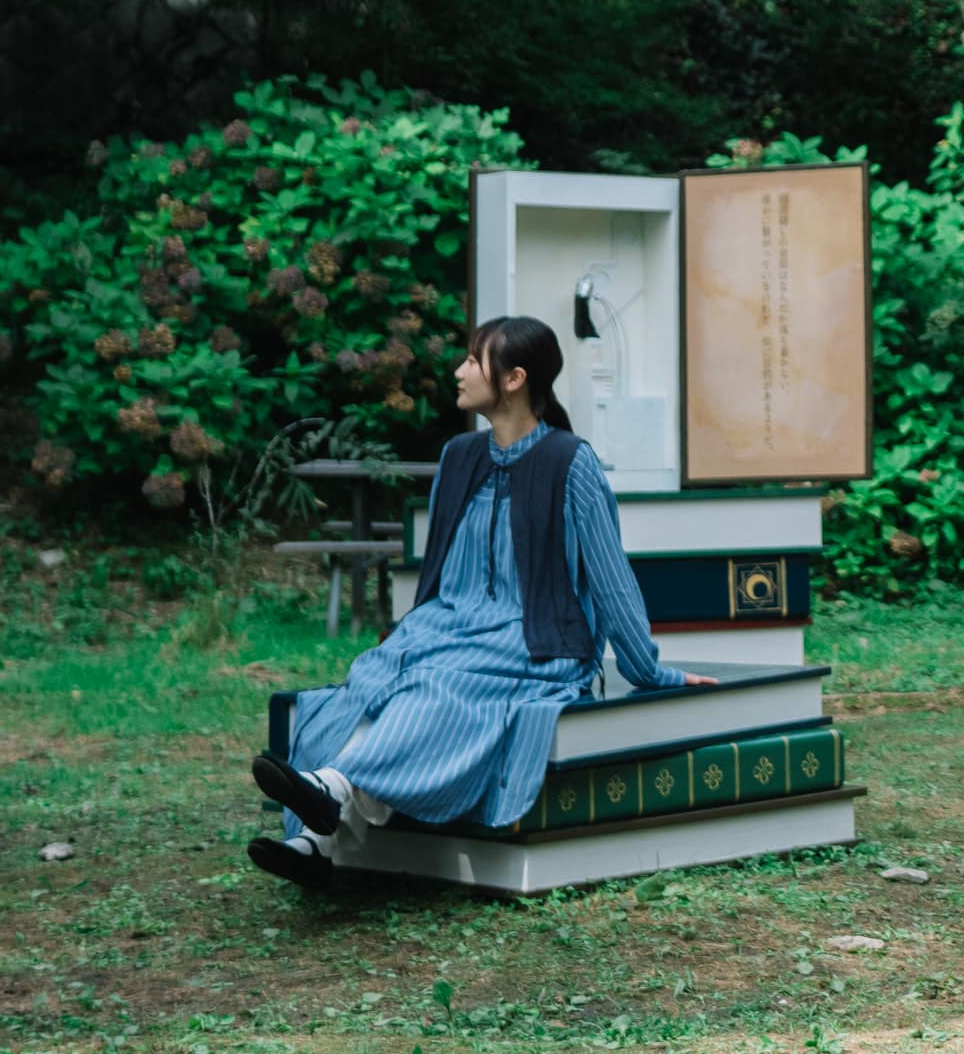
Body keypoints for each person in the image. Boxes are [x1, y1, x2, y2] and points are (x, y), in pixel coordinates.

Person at [247, 313, 711, 891]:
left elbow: (612, 580)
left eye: (473, 359)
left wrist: (650, 672)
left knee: (436, 685)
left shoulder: (572, 464)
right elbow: (440, 574)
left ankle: (332, 792)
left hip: (534, 643)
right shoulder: (458, 457)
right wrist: (414, 637)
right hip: (449, 628)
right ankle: (315, 839)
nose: (459, 370)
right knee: (379, 676)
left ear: (514, 378)